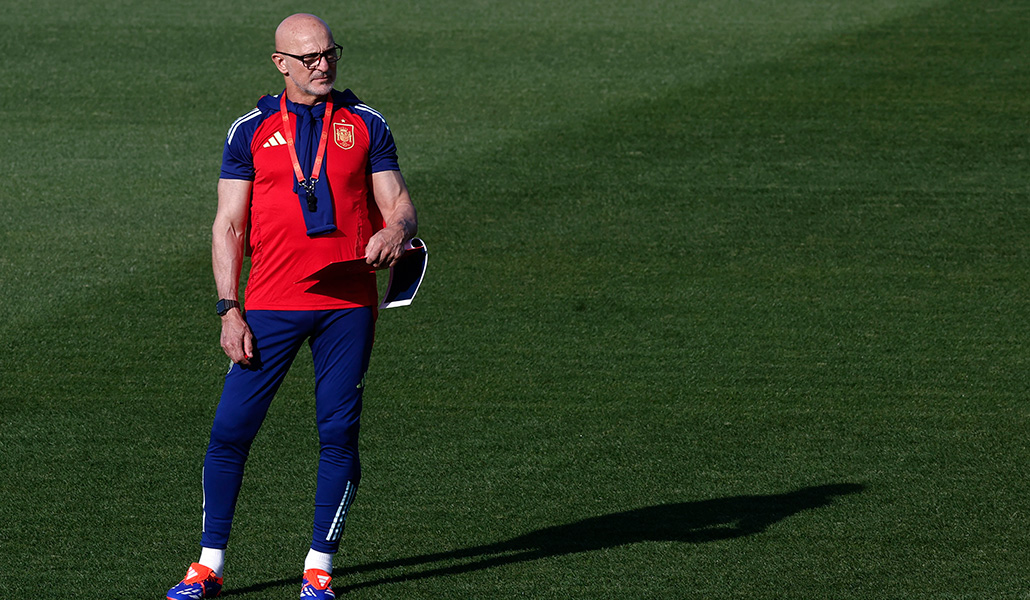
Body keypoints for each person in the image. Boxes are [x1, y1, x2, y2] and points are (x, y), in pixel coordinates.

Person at [167, 13, 417, 600]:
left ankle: (319, 567)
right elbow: (227, 225)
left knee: (337, 432)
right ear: (280, 63)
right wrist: (229, 308)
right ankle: (208, 564)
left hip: (346, 304)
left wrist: (397, 232)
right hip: (270, 304)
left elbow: (399, 202)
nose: (323, 64)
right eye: (309, 58)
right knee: (230, 430)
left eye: (329, 53)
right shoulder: (248, 130)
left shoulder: (366, 123)